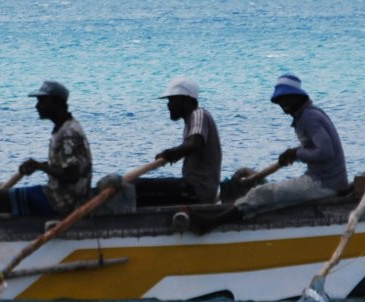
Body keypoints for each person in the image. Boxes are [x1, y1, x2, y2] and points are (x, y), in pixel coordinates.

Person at [188, 74, 347, 231]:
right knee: (267, 198)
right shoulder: (309, 115)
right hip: (324, 181)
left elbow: (325, 152)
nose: (283, 104)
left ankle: (209, 224)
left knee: (262, 193)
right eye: (280, 100)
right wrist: (294, 153)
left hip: (325, 184)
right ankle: (229, 216)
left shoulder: (309, 118)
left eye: (287, 98)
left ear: (298, 97)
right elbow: (316, 150)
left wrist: (297, 153)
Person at [135, 78, 223, 209]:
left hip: (197, 191)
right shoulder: (190, 122)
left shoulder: (199, 114)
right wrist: (172, 154)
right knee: (141, 193)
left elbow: (194, 143)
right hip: (193, 189)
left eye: (172, 100)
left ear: (186, 100)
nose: (168, 105)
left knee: (136, 187)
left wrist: (170, 154)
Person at [10, 80, 92, 218]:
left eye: (42, 101)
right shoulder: (63, 127)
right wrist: (39, 166)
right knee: (1, 197)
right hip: (62, 196)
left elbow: (72, 176)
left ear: (57, 103)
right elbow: (65, 166)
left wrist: (40, 166)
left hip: (64, 202)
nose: (37, 106)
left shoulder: (68, 132)